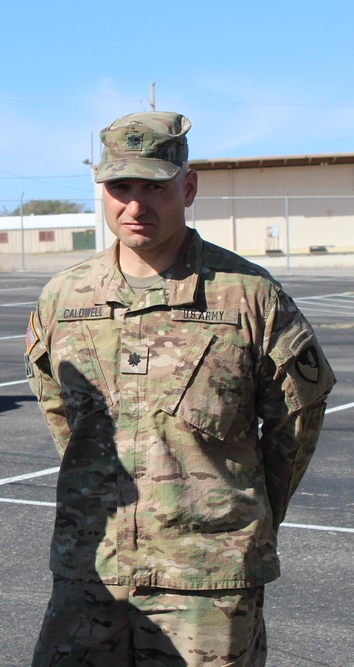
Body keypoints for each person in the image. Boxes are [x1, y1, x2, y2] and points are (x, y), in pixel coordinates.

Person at [25, 111, 335, 666]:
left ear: (187, 187)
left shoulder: (249, 297)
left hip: (207, 585)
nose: (135, 206)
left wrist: (241, 521)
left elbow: (298, 420)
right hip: (91, 571)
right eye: (120, 187)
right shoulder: (64, 298)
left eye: (155, 187)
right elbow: (62, 414)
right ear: (102, 190)